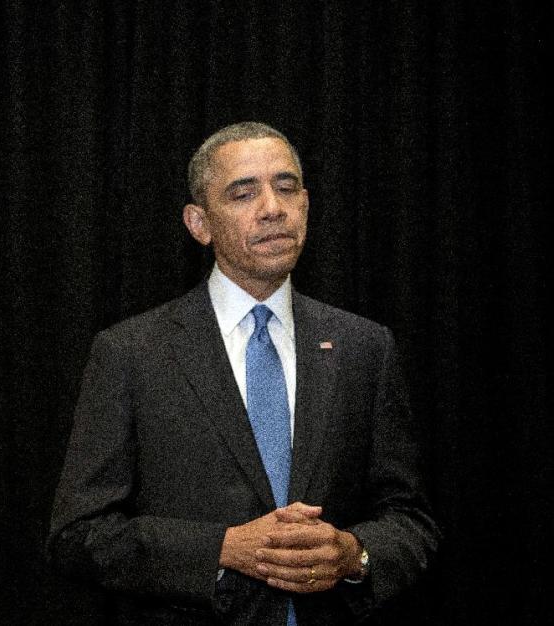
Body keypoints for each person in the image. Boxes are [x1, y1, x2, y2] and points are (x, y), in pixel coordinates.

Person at [46, 122, 438, 625]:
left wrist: (354, 554)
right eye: (243, 192)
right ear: (199, 223)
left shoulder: (364, 346)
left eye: (286, 186)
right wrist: (221, 549)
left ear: (307, 205)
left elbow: (411, 519)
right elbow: (78, 536)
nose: (272, 207)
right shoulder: (132, 353)